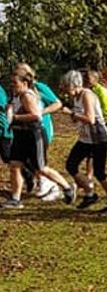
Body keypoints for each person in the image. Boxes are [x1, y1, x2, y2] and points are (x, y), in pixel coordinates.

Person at [1, 68, 76, 209]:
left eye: (15, 83)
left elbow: (36, 115)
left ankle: (66, 187)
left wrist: (15, 117)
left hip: (33, 135)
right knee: (14, 165)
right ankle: (15, 199)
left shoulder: (27, 96)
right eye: (11, 83)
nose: (12, 85)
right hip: (20, 134)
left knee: (40, 168)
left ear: (24, 83)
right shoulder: (16, 94)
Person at [60, 70, 107, 211]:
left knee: (99, 172)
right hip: (85, 138)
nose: (65, 92)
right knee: (71, 165)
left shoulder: (87, 95)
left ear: (75, 85)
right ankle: (90, 192)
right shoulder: (76, 97)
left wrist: (72, 113)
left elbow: (90, 119)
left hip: (98, 137)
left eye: (67, 87)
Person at [15, 63, 64, 202]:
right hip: (26, 130)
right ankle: (45, 183)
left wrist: (42, 111)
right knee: (29, 160)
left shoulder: (40, 87)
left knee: (38, 161)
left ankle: (53, 186)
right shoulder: (19, 91)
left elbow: (57, 103)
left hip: (41, 128)